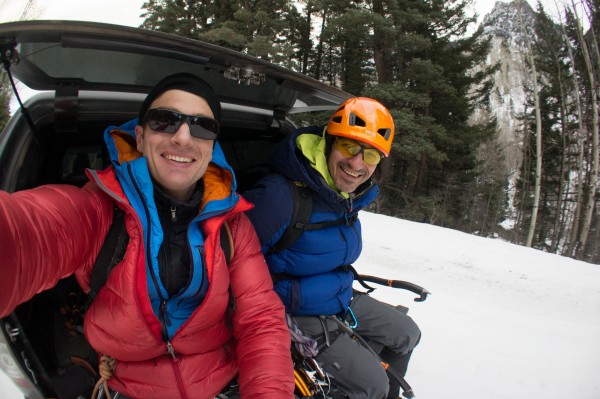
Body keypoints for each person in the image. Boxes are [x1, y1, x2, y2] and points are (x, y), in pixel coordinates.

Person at [0, 73, 294, 399]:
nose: (183, 137)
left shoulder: (233, 225)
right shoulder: (98, 209)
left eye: (202, 126)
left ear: (211, 147)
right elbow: (25, 233)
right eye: (165, 121)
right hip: (127, 386)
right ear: (139, 137)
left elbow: (260, 321)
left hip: (222, 384)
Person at [243, 97, 421, 399]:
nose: (356, 163)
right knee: (371, 385)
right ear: (328, 142)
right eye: (349, 147)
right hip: (294, 310)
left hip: (338, 295)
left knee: (407, 333)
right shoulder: (279, 197)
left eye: (371, 155)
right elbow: (231, 264)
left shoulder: (345, 197)